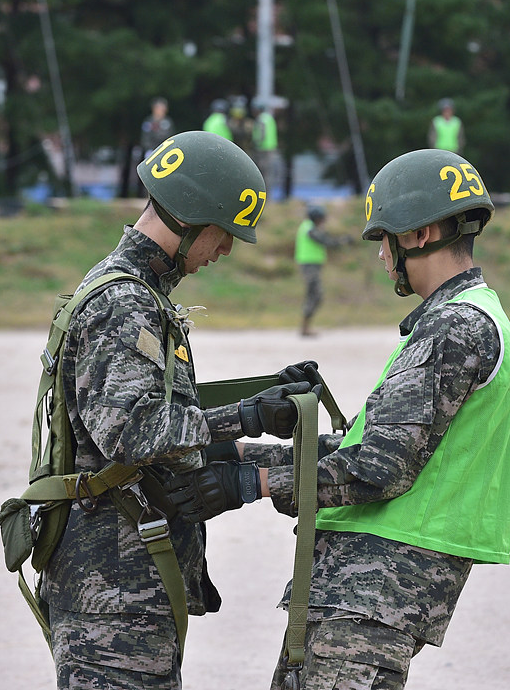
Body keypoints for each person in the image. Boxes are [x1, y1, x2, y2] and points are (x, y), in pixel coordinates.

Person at [171, 148, 510, 690]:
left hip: (375, 593)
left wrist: (252, 483)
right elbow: (366, 447)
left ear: (420, 234)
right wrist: (243, 450)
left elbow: (379, 468)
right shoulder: (470, 319)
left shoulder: (453, 330)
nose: (383, 256)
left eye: (384, 238)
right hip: (364, 591)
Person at [40, 130, 314, 690]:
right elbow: (136, 433)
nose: (226, 250)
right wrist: (251, 415)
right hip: (109, 592)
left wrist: (271, 413)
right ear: (191, 217)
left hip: (126, 584)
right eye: (224, 234)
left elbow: (169, 420)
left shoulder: (143, 295)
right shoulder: (123, 303)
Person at [295, 204, 353, 337]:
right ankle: (305, 328)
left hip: (312, 265)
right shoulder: (309, 229)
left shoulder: (309, 227)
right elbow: (324, 241)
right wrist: (342, 241)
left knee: (315, 295)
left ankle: (305, 327)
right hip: (309, 266)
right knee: (315, 294)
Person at [251, 98, 278, 191]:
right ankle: (269, 196)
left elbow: (261, 134)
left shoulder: (261, 119)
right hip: (271, 148)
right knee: (269, 174)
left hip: (262, 150)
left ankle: (263, 194)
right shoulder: (269, 118)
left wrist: (256, 143)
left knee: (262, 174)